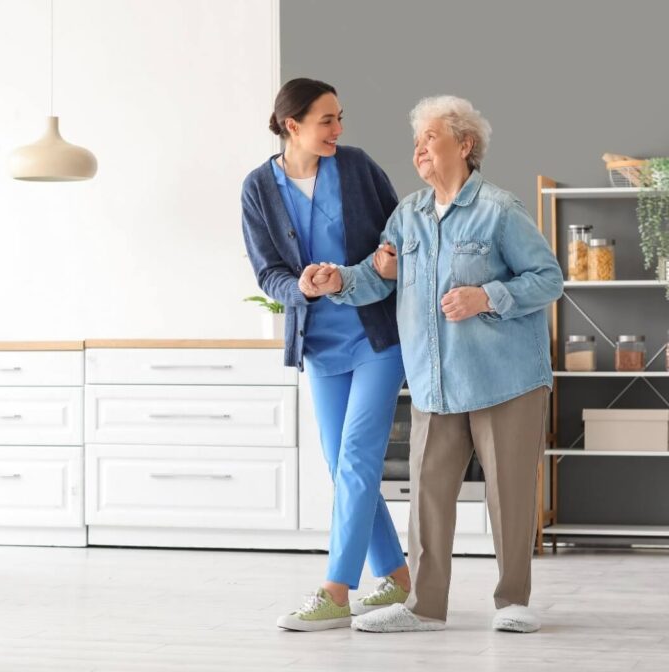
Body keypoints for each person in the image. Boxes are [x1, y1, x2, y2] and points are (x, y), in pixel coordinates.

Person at [312, 95, 563, 633]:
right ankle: (425, 607)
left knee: (509, 495)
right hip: (433, 381)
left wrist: (486, 296)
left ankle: (512, 603)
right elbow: (378, 275)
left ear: (465, 144)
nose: (419, 149)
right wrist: (338, 281)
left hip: (505, 379)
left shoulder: (500, 209)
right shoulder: (409, 215)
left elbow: (548, 279)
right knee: (427, 497)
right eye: (416, 141)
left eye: (430, 137)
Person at [241, 78, 411, 631]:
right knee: (342, 467)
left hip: (378, 337)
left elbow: (400, 232)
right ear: (292, 126)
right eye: (327, 120)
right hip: (319, 343)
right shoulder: (258, 187)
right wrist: (301, 287)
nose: (339, 129)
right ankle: (398, 578)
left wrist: (384, 260)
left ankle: (335, 591)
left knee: (357, 458)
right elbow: (268, 271)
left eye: (340, 117)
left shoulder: (357, 166)